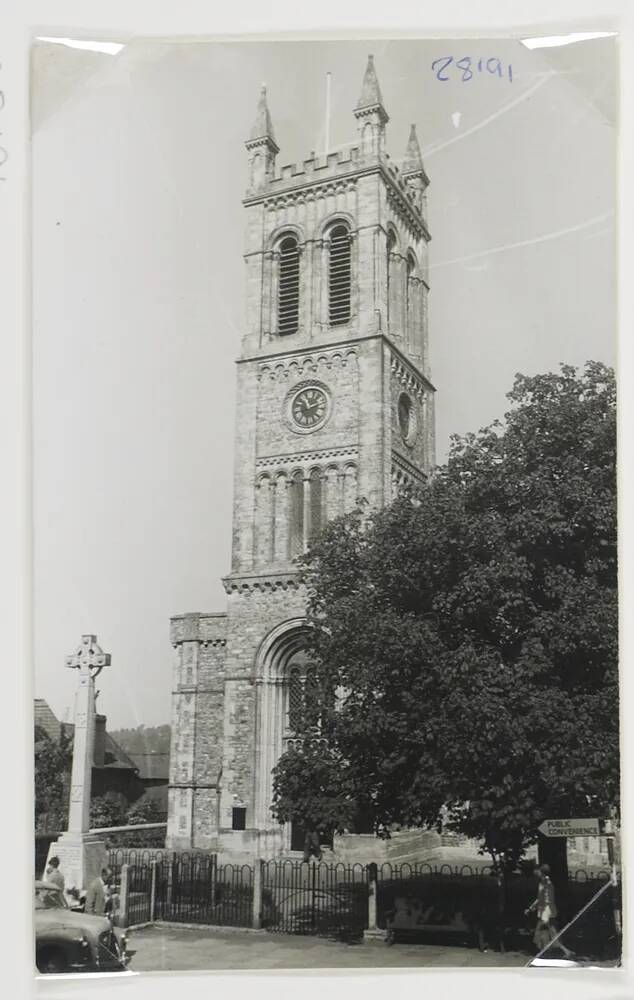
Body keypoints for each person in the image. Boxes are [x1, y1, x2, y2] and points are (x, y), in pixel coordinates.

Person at [525, 864, 574, 959]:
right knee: (547, 934)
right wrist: (531, 908)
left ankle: (550, 953)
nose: (535, 873)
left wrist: (545, 916)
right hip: (545, 912)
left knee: (545, 933)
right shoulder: (543, 882)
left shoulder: (546, 883)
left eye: (537, 871)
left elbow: (547, 900)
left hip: (547, 913)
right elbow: (540, 899)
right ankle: (551, 953)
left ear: (541, 872)